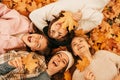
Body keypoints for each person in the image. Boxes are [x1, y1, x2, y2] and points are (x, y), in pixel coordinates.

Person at [29, 0, 110, 47]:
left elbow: (33, 15)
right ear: (67, 33)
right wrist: (82, 15)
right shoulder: (79, 27)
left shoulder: (53, 14)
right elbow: (99, 18)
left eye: (52, 31)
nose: (56, 28)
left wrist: (45, 31)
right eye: (60, 34)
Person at [0, 50, 74, 80]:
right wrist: (9, 65)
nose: (59, 60)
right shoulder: (36, 59)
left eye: (63, 61)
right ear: (53, 56)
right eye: (58, 56)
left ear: (62, 69)